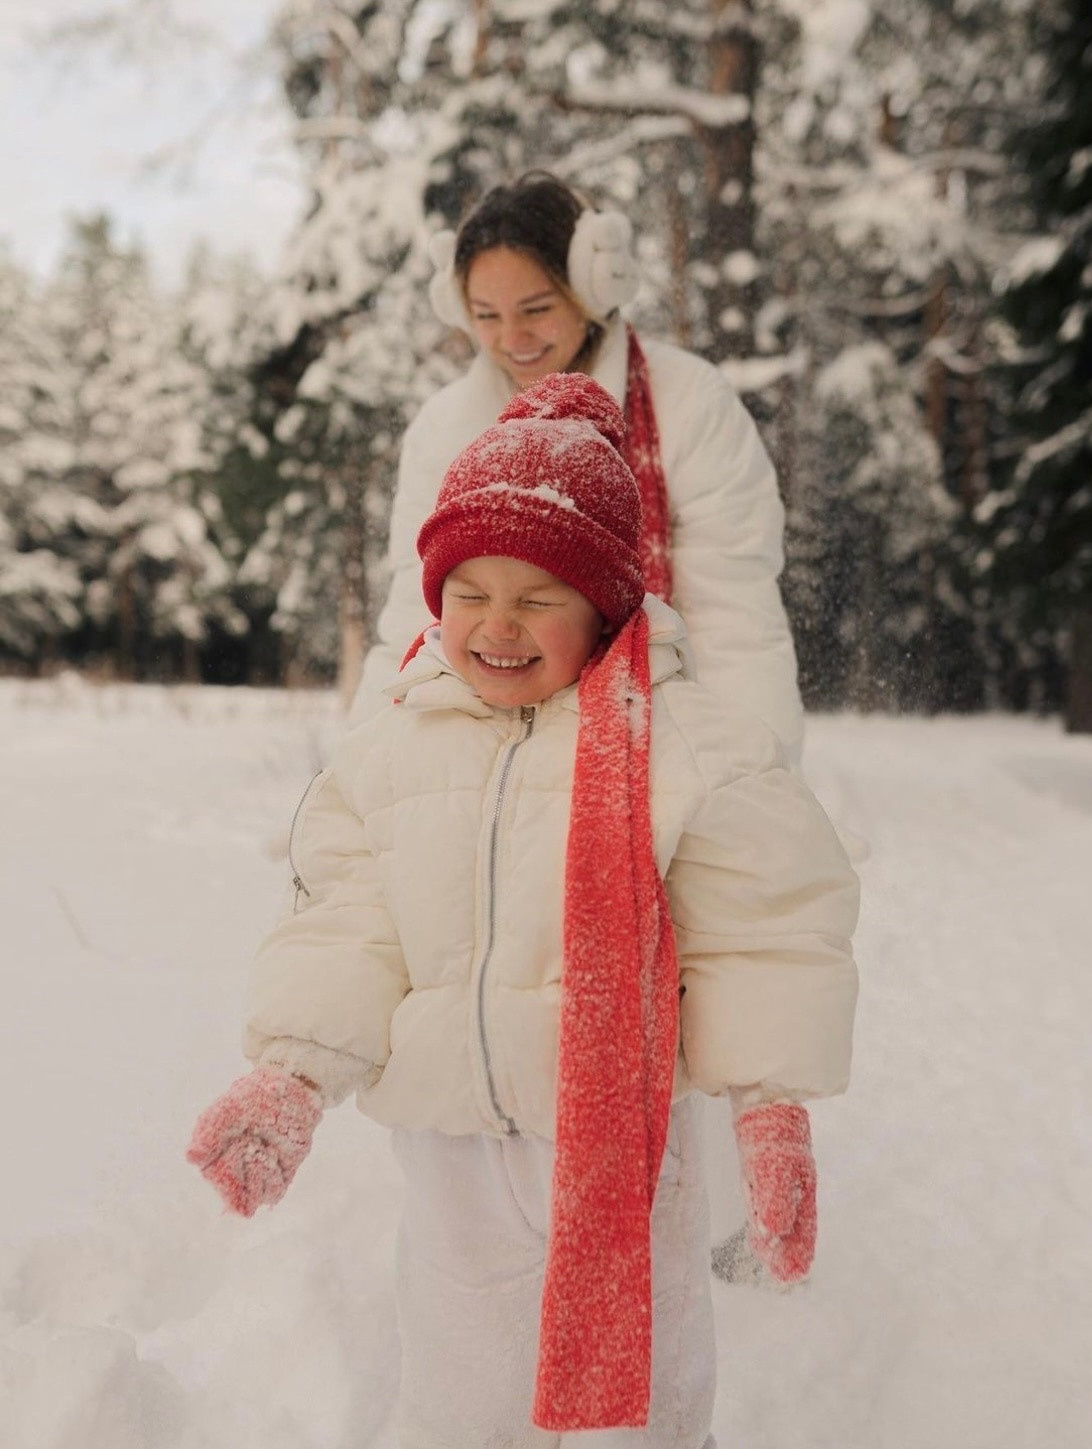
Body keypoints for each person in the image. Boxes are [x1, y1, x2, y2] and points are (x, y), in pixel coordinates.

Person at [187, 375, 858, 1448]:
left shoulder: (688, 740)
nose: (497, 624)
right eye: (469, 593)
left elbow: (766, 929)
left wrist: (771, 1105)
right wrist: (294, 1070)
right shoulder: (393, 748)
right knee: (456, 1391)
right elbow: (350, 924)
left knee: (641, 1396)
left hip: (630, 1141)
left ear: (605, 604)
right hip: (453, 1142)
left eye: (539, 597)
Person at [350, 171, 805, 767]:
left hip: (661, 751)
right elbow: (415, 620)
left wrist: (754, 785)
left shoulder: (690, 403)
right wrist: (358, 776)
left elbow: (735, 626)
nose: (512, 338)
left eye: (536, 308)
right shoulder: (443, 429)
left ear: (593, 289)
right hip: (479, 772)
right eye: (485, 315)